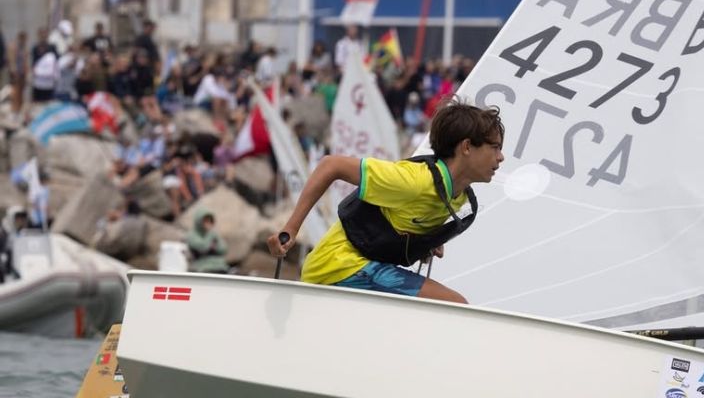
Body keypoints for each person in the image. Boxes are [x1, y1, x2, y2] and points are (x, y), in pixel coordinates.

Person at [267, 100, 505, 303]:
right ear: (466, 147)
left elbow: (401, 221)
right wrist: (292, 228)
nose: (500, 157)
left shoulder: (457, 197)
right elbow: (332, 165)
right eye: (494, 147)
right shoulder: (415, 180)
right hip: (336, 266)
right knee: (455, 305)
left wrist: (423, 243)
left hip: (365, 267)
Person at [186, 208, 229, 274]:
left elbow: (223, 249)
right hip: (199, 264)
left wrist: (214, 241)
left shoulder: (214, 234)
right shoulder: (192, 234)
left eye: (210, 221)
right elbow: (202, 248)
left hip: (217, 264)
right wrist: (210, 234)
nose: (208, 224)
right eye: (205, 221)